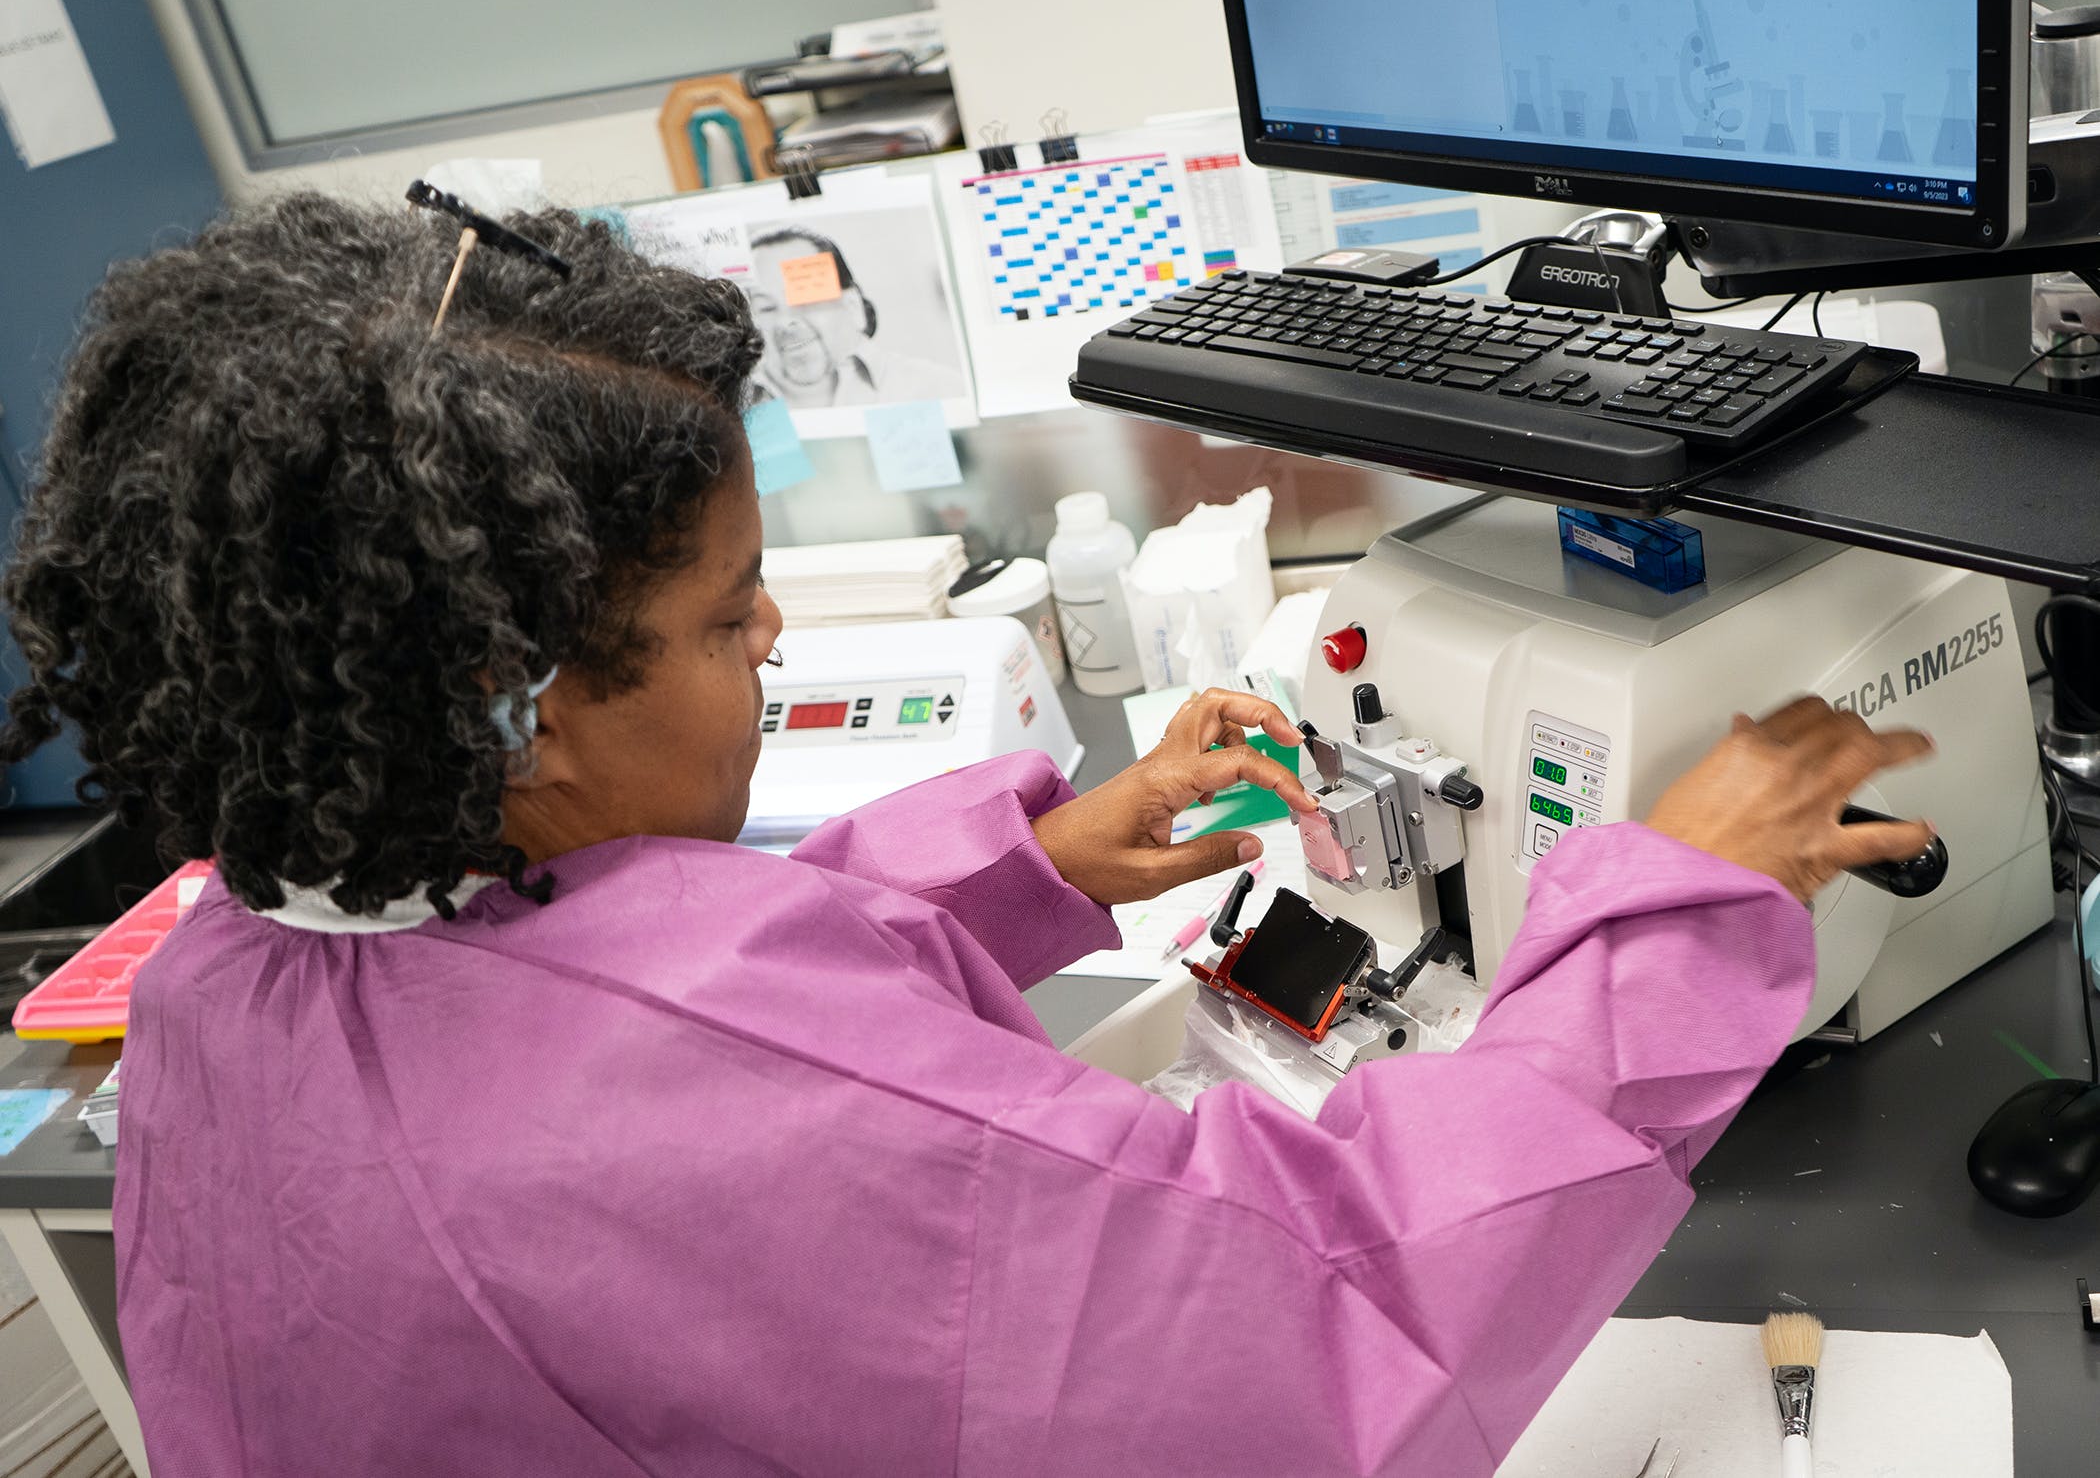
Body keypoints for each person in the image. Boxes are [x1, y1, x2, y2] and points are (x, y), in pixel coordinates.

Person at [2, 196, 1934, 1477]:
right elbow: (1342, 1332)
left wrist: (1036, 867)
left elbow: (604, 1012)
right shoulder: (703, 1113)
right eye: (722, 608)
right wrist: (1680, 905)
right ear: (518, 705)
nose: (771, 634)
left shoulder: (221, 994)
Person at [746, 225, 963, 407]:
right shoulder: (735, 411)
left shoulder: (939, 389)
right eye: (765, 308)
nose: (786, 322)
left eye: (805, 299)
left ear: (853, 306)